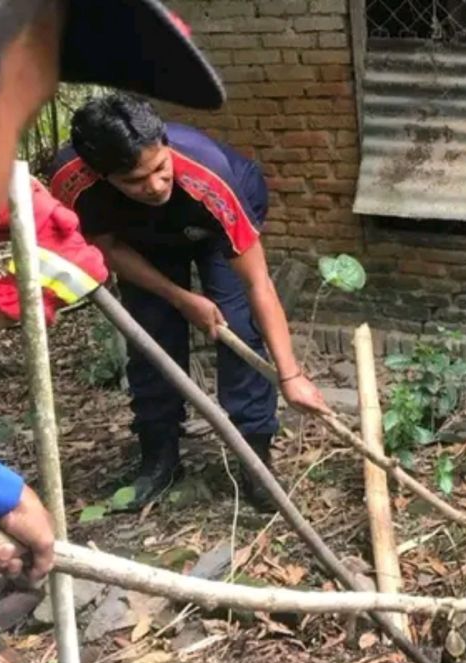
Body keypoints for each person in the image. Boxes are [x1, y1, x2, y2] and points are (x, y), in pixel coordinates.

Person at [0, 0, 226, 663]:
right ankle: (158, 455)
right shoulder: (78, 189)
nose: (8, 169)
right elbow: (93, 256)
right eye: (8, 124)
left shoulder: (215, 180)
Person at [48, 94, 329, 512]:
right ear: (102, 175)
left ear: (165, 143)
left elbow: (258, 284)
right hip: (140, 238)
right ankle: (158, 457)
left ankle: (255, 457)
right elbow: (105, 246)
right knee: (151, 337)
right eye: (135, 180)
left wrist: (291, 376)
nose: (156, 185)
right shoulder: (71, 180)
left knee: (235, 322)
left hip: (210, 220)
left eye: (161, 168)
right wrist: (180, 298)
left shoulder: (209, 174)